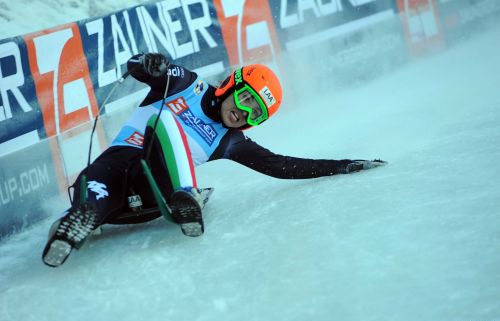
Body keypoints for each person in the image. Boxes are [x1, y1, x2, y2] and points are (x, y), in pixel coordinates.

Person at [42, 53, 386, 267]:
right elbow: (138, 68)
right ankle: (76, 223)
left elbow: (281, 166)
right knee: (94, 187)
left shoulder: (232, 141)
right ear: (231, 86)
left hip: (157, 187)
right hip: (119, 166)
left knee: (165, 123)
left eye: (254, 113)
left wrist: (342, 165)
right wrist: (149, 63)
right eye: (246, 99)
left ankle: (184, 196)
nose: (242, 113)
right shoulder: (185, 84)